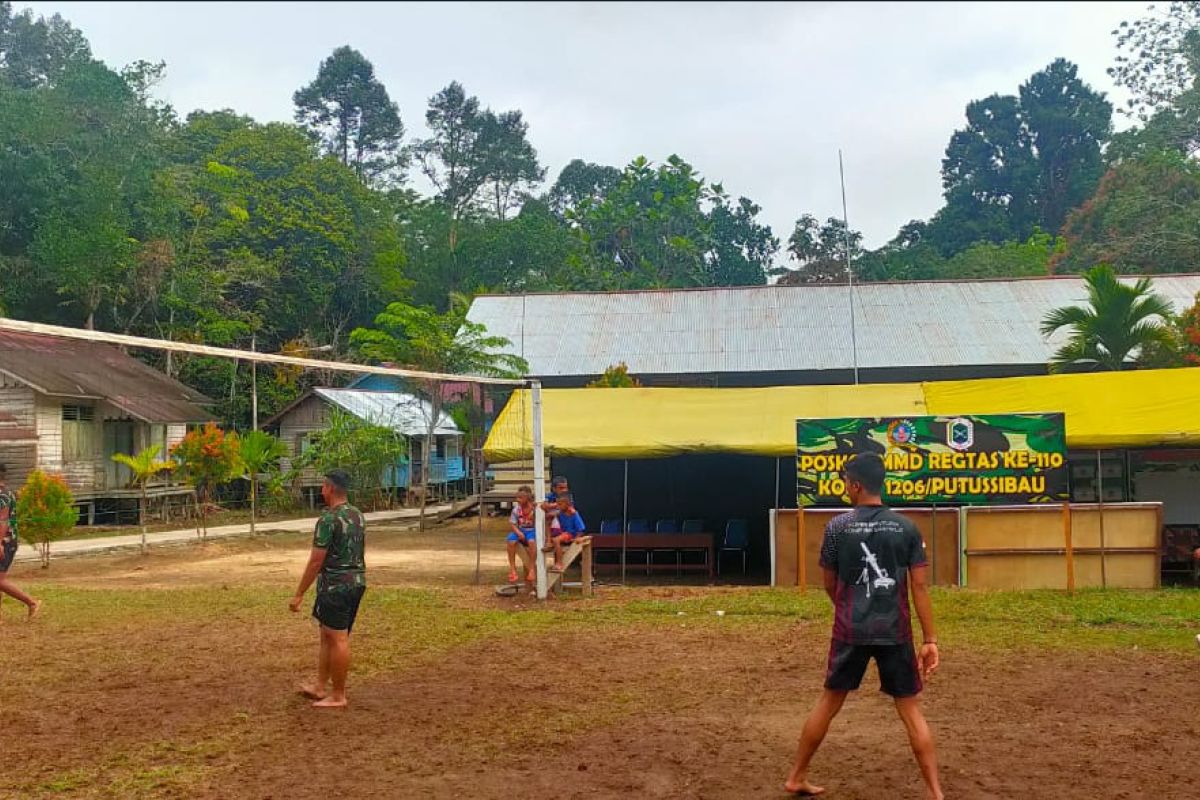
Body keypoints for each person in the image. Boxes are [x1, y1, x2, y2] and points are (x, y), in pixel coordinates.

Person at [785, 453, 943, 799]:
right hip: (895, 631)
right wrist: (930, 639)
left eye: (845, 482)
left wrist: (847, 608)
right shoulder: (906, 527)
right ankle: (935, 793)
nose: (844, 487)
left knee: (829, 702)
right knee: (910, 709)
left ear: (856, 485)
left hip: (850, 630)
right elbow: (919, 587)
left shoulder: (837, 527)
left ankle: (797, 776)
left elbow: (829, 583)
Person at [289, 469, 366, 709]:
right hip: (355, 582)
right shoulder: (357, 515)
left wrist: (300, 592)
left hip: (335, 586)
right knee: (327, 635)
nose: (321, 489)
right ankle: (321, 686)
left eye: (323, 485)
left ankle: (338, 694)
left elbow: (316, 561)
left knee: (337, 638)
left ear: (330, 488)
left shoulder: (328, 519)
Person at [0, 464, 41, 622]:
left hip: (6, 541)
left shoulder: (3, 495)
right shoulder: (7, 493)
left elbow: (3, 520)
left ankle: (31, 603)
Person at [545, 492, 586, 572]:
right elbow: (550, 515)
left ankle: (559, 563)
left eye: (560, 504)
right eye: (557, 504)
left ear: (568, 504)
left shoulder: (574, 514)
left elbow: (581, 529)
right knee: (549, 521)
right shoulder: (560, 512)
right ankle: (548, 542)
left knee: (556, 540)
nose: (558, 506)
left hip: (570, 534)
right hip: (563, 533)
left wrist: (577, 538)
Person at [507, 486, 537, 584]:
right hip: (521, 530)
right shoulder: (516, 510)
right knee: (510, 541)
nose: (518, 500)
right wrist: (518, 532)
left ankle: (531, 568)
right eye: (517, 497)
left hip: (532, 531)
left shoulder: (534, 509)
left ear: (527, 498)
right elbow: (512, 523)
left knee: (532, 543)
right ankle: (512, 568)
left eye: (520, 498)